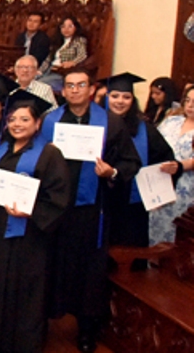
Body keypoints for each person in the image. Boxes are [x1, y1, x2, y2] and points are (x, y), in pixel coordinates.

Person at [39, 68, 141, 352]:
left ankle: (86, 330)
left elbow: (130, 162)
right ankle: (42, 323)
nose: (74, 90)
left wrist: (111, 172)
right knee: (50, 264)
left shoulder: (110, 122)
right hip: (54, 207)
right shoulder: (50, 121)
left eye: (80, 85)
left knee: (88, 272)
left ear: (92, 89)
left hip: (90, 210)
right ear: (63, 90)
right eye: (69, 85)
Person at [0, 91, 70, 353]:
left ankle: (21, 341)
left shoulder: (49, 154)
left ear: (37, 123)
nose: (17, 124)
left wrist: (31, 211)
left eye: (24, 119)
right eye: (12, 119)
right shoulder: (1, 149)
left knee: (25, 286)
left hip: (30, 233)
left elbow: (59, 198)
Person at [100, 73, 180, 261]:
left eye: (126, 97)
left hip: (131, 207)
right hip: (99, 203)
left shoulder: (144, 129)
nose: (120, 101)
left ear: (133, 100)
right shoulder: (93, 124)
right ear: (106, 97)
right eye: (115, 96)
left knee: (130, 257)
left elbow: (165, 158)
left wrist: (173, 167)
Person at [150, 84, 194, 244]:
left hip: (186, 188)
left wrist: (180, 166)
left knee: (178, 235)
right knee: (154, 229)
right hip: (160, 182)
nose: (190, 105)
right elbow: (153, 144)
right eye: (187, 100)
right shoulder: (172, 121)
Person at [37, 16, 88, 92]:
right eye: (63, 27)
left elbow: (82, 55)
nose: (66, 29)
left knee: (39, 84)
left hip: (61, 73)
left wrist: (73, 62)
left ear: (76, 28)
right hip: (49, 70)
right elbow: (48, 59)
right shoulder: (58, 41)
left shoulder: (79, 40)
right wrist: (40, 70)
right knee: (29, 81)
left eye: (70, 26)